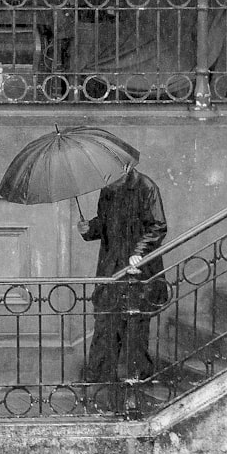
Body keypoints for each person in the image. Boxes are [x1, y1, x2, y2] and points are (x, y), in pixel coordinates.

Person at [76, 163, 167, 383]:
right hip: (111, 267)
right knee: (105, 322)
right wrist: (89, 229)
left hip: (138, 269)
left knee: (136, 324)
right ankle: (99, 377)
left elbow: (157, 227)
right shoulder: (108, 189)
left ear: (125, 168)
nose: (107, 179)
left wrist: (139, 253)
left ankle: (137, 379)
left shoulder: (146, 187)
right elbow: (106, 223)